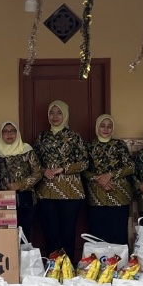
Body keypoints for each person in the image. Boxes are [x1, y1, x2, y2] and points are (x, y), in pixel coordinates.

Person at [33, 100, 89, 260]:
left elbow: (84, 162)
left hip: (70, 193)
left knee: (67, 232)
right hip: (46, 192)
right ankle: (52, 267)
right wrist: (43, 170)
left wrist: (63, 169)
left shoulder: (74, 137)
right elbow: (33, 161)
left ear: (65, 115)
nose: (55, 116)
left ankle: (67, 267)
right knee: (50, 232)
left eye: (59, 113)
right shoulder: (42, 137)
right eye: (52, 112)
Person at [84, 115, 135, 244]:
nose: (106, 129)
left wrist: (110, 175)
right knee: (97, 235)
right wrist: (98, 179)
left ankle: (118, 263)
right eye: (102, 125)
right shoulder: (89, 146)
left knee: (118, 234)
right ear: (97, 127)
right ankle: (99, 264)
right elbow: (83, 169)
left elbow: (130, 166)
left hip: (119, 196)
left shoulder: (119, 145)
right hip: (96, 196)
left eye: (109, 126)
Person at [0, 120, 42, 242]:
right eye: (5, 131)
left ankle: (23, 260)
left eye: (12, 131)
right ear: (1, 134)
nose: (9, 134)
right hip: (1, 200)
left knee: (23, 234)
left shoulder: (26, 150)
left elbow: (38, 173)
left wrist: (19, 185)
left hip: (24, 198)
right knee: (4, 236)